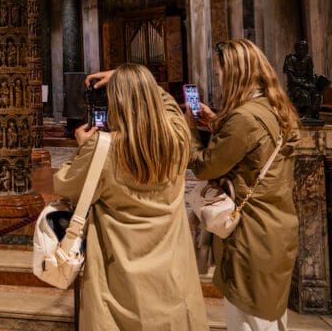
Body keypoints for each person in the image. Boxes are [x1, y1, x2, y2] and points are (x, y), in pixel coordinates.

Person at [54, 64, 208, 330]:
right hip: (169, 273)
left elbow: (65, 185)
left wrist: (82, 149)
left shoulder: (103, 149)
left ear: (117, 102)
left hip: (119, 276)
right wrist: (138, 81)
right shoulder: (178, 137)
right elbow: (170, 106)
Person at [188, 39, 299, 330]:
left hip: (251, 234)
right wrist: (216, 124)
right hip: (277, 227)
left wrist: (188, 131)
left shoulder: (243, 118)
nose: (219, 78)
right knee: (271, 318)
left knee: (247, 321)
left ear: (235, 73)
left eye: (220, 71)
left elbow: (204, 166)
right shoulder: (275, 107)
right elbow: (253, 150)